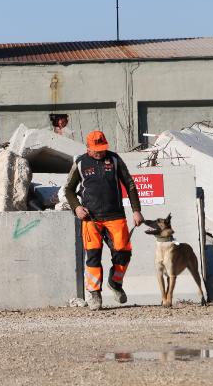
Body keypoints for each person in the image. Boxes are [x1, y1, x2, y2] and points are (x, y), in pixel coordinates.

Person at [64, 130, 144, 310]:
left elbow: (130, 185)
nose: (99, 152)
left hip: (115, 216)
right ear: (88, 148)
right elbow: (68, 189)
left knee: (123, 253)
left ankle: (115, 283)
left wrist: (136, 211)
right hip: (90, 218)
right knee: (93, 256)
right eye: (96, 150)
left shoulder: (114, 160)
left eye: (102, 149)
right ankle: (95, 294)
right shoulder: (80, 163)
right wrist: (76, 207)